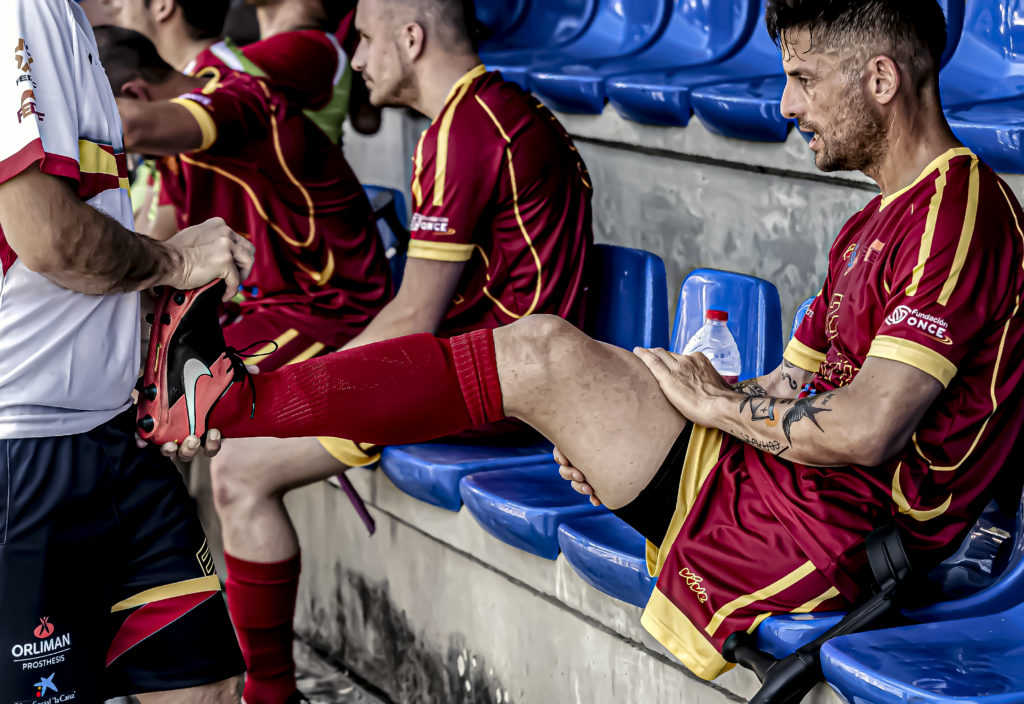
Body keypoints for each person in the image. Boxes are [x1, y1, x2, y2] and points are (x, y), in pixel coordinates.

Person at [141, 0, 1024, 682]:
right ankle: (235, 401)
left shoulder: (960, 209)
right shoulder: (874, 221)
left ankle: (240, 401)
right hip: (787, 490)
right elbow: (792, 387)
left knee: (540, 354)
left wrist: (712, 408)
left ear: (880, 79)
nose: (786, 104)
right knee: (547, 362)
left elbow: (866, 429)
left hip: (849, 531)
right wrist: (682, 401)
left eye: (802, 78)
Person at [136, 0, 593, 699]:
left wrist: (319, 390)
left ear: (411, 38)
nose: (356, 60)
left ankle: (267, 694)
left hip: (499, 387)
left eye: (367, 40)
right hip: (507, 366)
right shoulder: (497, 111)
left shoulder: (467, 128)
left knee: (239, 471)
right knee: (234, 459)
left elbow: (413, 318)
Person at [0, 0, 256, 701]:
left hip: (112, 437)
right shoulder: (20, 10)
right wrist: (174, 261)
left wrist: (143, 324)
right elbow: (48, 236)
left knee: (204, 684)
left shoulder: (60, 14)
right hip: (27, 450)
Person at [99, 27, 393, 371]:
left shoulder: (241, 96)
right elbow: (155, 238)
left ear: (135, 94)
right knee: (129, 366)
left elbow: (131, 127)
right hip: (256, 307)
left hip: (327, 309)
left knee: (185, 386)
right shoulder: (171, 149)